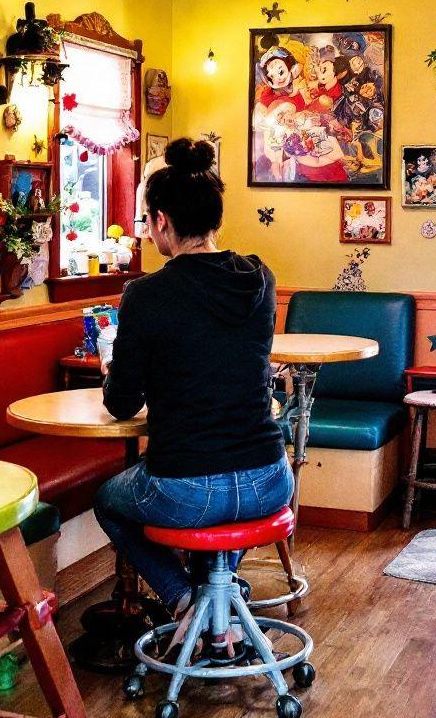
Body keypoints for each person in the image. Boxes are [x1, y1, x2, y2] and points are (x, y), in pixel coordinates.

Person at [96, 136, 292, 648]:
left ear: (161, 220)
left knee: (110, 502)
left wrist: (112, 363)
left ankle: (185, 598)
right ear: (214, 217)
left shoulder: (145, 295)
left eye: (146, 221)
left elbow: (122, 404)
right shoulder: (260, 279)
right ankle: (220, 603)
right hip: (270, 478)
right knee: (226, 506)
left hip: (186, 489)